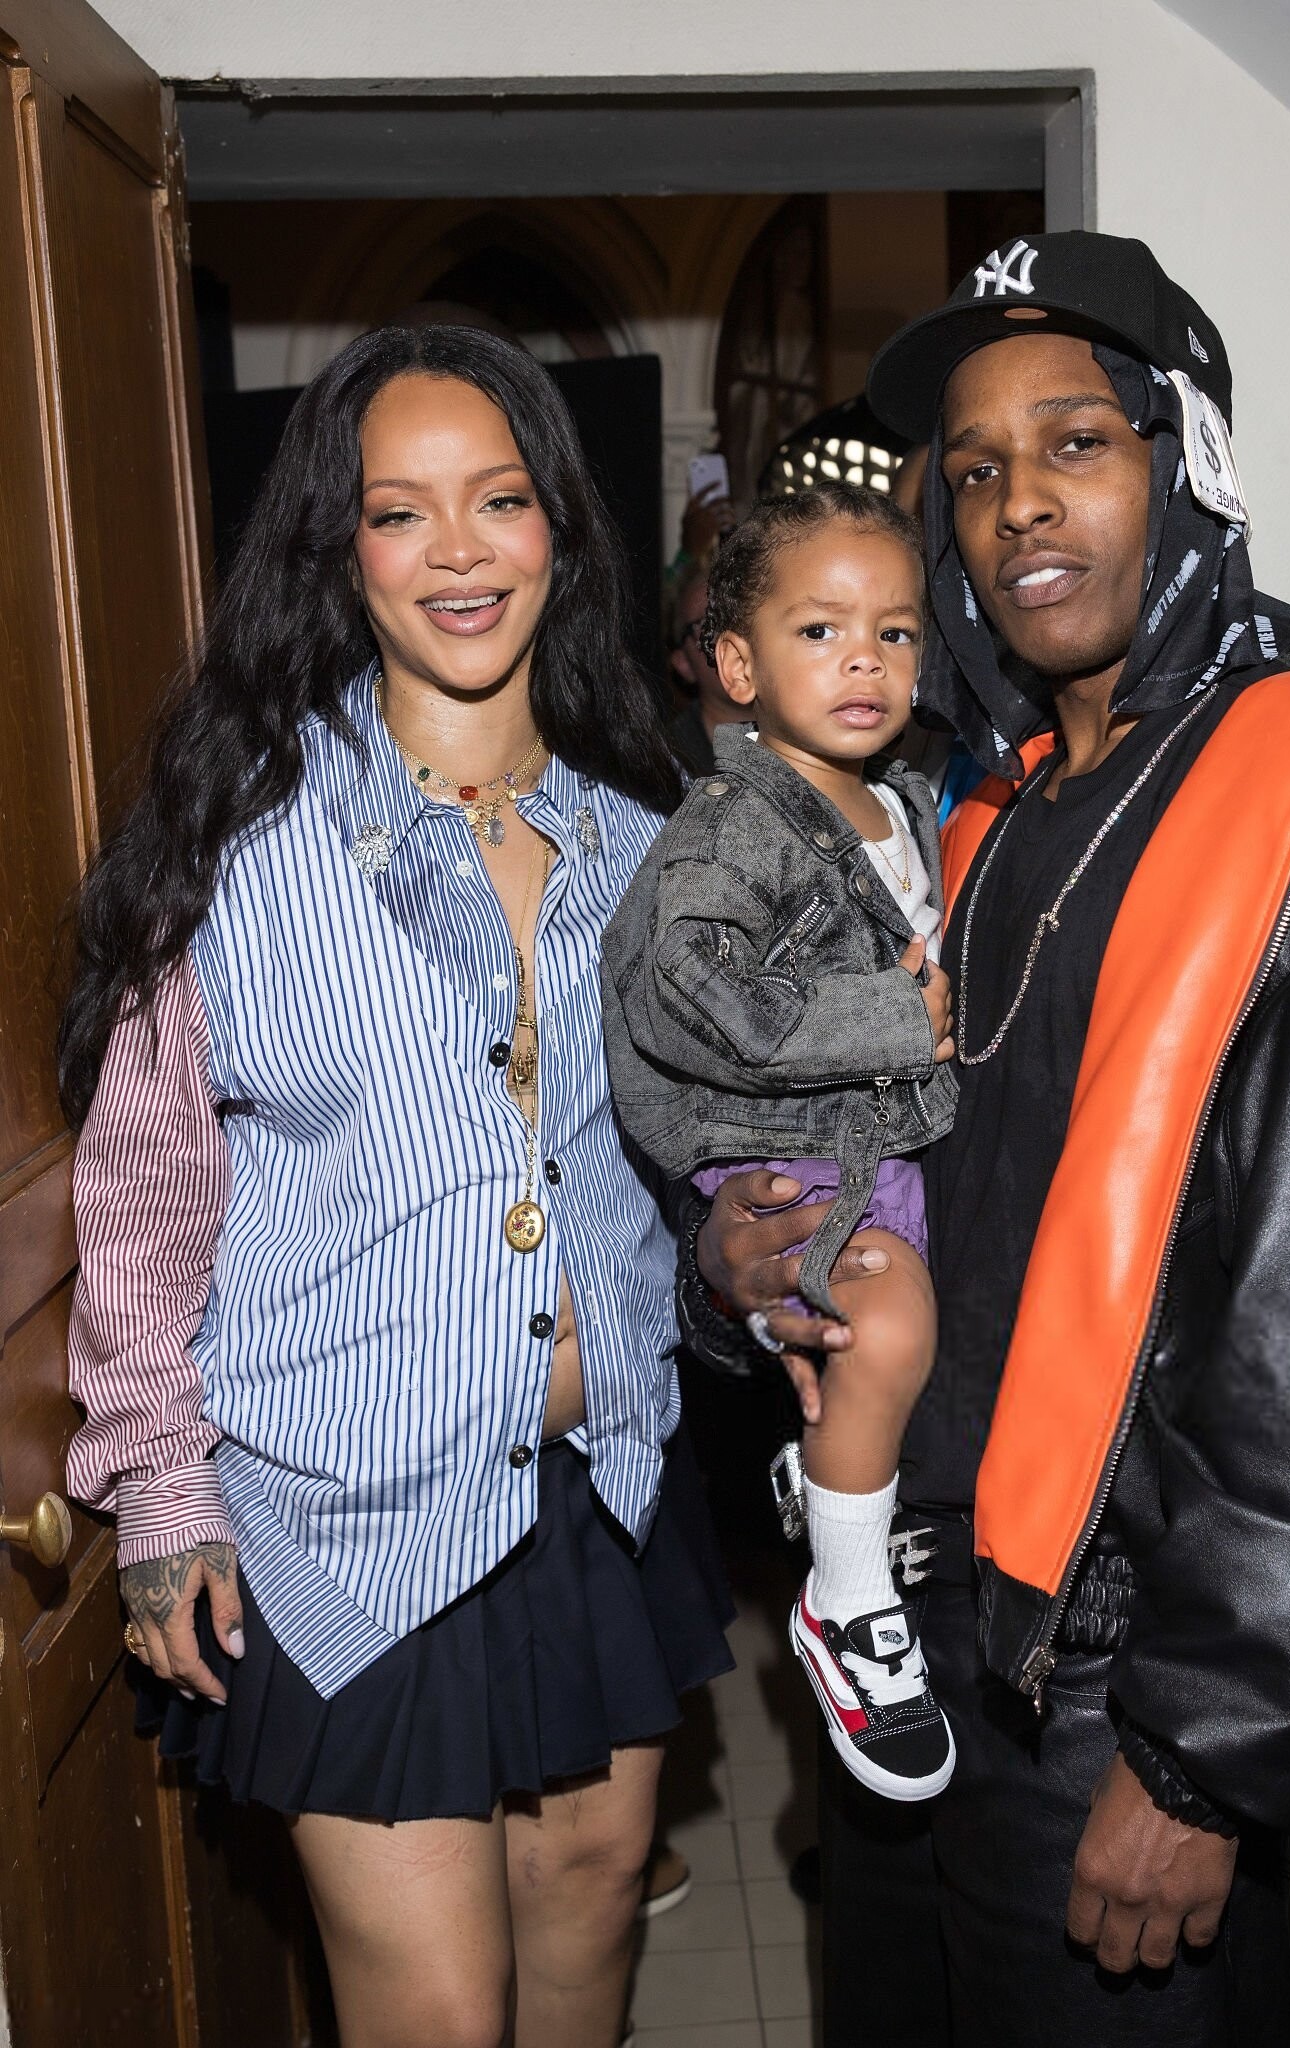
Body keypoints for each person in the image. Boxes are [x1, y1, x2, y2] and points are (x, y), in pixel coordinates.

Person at [679, 230, 1290, 2046]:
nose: (1016, 505)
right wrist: (738, 1259)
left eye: (1075, 441)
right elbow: (917, 1187)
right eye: (972, 469)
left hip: (1118, 1695)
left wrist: (1204, 1755)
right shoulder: (970, 817)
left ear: (1186, 466)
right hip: (910, 1645)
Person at [61, 324, 733, 2048]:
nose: (456, 551)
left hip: (603, 1486)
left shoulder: (647, 838)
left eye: (498, 499)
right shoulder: (236, 842)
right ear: (336, 548)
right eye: (398, 510)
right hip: (348, 1515)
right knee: (436, 2007)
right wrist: (163, 1498)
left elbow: (697, 1157)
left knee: (594, 1896)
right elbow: (145, 1193)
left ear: (560, 528)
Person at [603, 485, 960, 1800]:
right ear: (738, 666)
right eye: (821, 631)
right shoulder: (730, 824)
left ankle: (837, 1480)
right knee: (889, 1326)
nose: (864, 660)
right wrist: (892, 1019)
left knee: (913, 1344)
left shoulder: (904, 802)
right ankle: (845, 1603)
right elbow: (686, 990)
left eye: (894, 632)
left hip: (887, 1137)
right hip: (787, 1147)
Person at [663, 564, 753, 778]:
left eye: (741, 613)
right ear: (683, 663)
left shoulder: (815, 736)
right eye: (709, 624)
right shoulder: (668, 765)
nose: (733, 632)